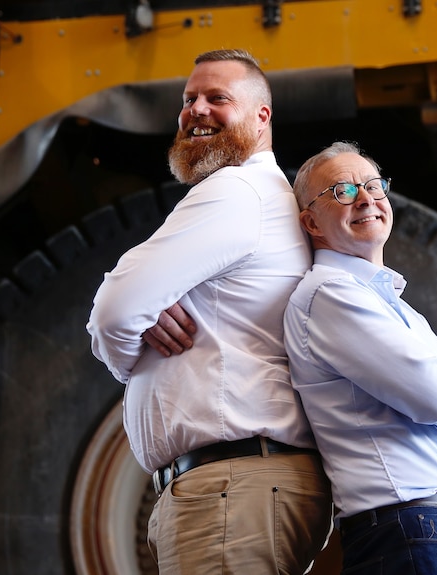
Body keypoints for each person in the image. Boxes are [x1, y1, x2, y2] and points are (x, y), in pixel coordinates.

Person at [86, 49, 332, 574]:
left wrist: (131, 354)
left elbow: (113, 312)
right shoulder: (270, 198)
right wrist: (143, 311)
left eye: (217, 98)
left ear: (261, 116)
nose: (195, 109)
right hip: (242, 488)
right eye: (188, 99)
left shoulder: (237, 190)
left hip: (230, 489)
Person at [283, 140, 437, 574]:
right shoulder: (332, 294)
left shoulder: (388, 303)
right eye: (344, 191)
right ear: (311, 221)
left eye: (374, 185)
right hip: (416, 532)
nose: (367, 199)